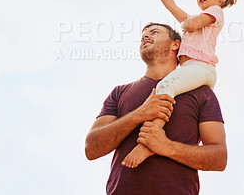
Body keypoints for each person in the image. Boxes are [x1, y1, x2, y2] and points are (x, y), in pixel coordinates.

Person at [85, 22, 227, 195]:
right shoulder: (119, 92)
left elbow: (219, 158)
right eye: (143, 35)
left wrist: (166, 147)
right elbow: (91, 148)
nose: (145, 36)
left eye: (154, 32)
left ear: (176, 44)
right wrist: (138, 114)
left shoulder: (201, 92)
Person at [123, 0, 236, 168]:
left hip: (201, 67)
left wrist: (183, 24)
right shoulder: (196, 17)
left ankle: (149, 141)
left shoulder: (215, 12)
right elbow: (171, 5)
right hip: (193, 70)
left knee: (165, 87)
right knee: (174, 95)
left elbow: (190, 25)